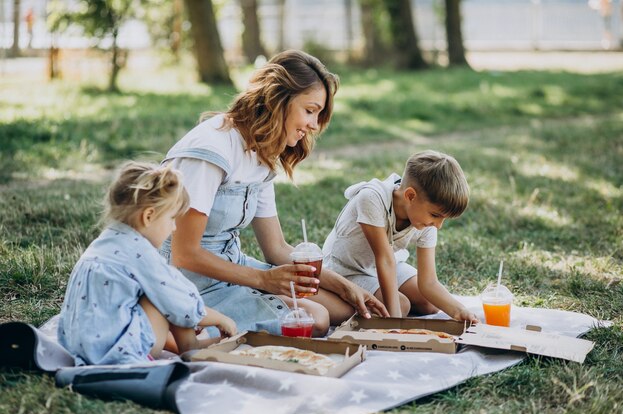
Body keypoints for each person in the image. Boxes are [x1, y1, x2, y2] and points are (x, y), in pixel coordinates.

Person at [161, 50, 387, 337]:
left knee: (344, 308)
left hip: (230, 267)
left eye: (318, 114)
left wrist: (344, 285)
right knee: (314, 319)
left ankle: (213, 325)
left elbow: (277, 249)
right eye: (309, 110)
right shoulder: (211, 150)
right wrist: (263, 280)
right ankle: (176, 332)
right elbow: (184, 254)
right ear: (277, 99)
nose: (314, 126)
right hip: (182, 279)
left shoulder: (262, 153)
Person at [58, 162, 237, 365]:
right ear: (149, 216)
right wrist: (221, 318)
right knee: (170, 292)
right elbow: (182, 301)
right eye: (172, 219)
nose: (174, 227)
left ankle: (191, 346)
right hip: (118, 350)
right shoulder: (139, 252)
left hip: (78, 346)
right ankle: (190, 348)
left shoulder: (104, 242)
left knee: (164, 290)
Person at [322, 150, 478, 322]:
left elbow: (429, 283)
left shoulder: (425, 218)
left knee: (430, 303)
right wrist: (395, 325)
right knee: (401, 306)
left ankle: (378, 300)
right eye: (435, 216)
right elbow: (385, 259)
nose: (438, 225)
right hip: (347, 270)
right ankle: (344, 302)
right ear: (410, 196)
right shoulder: (371, 198)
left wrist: (459, 311)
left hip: (384, 265)